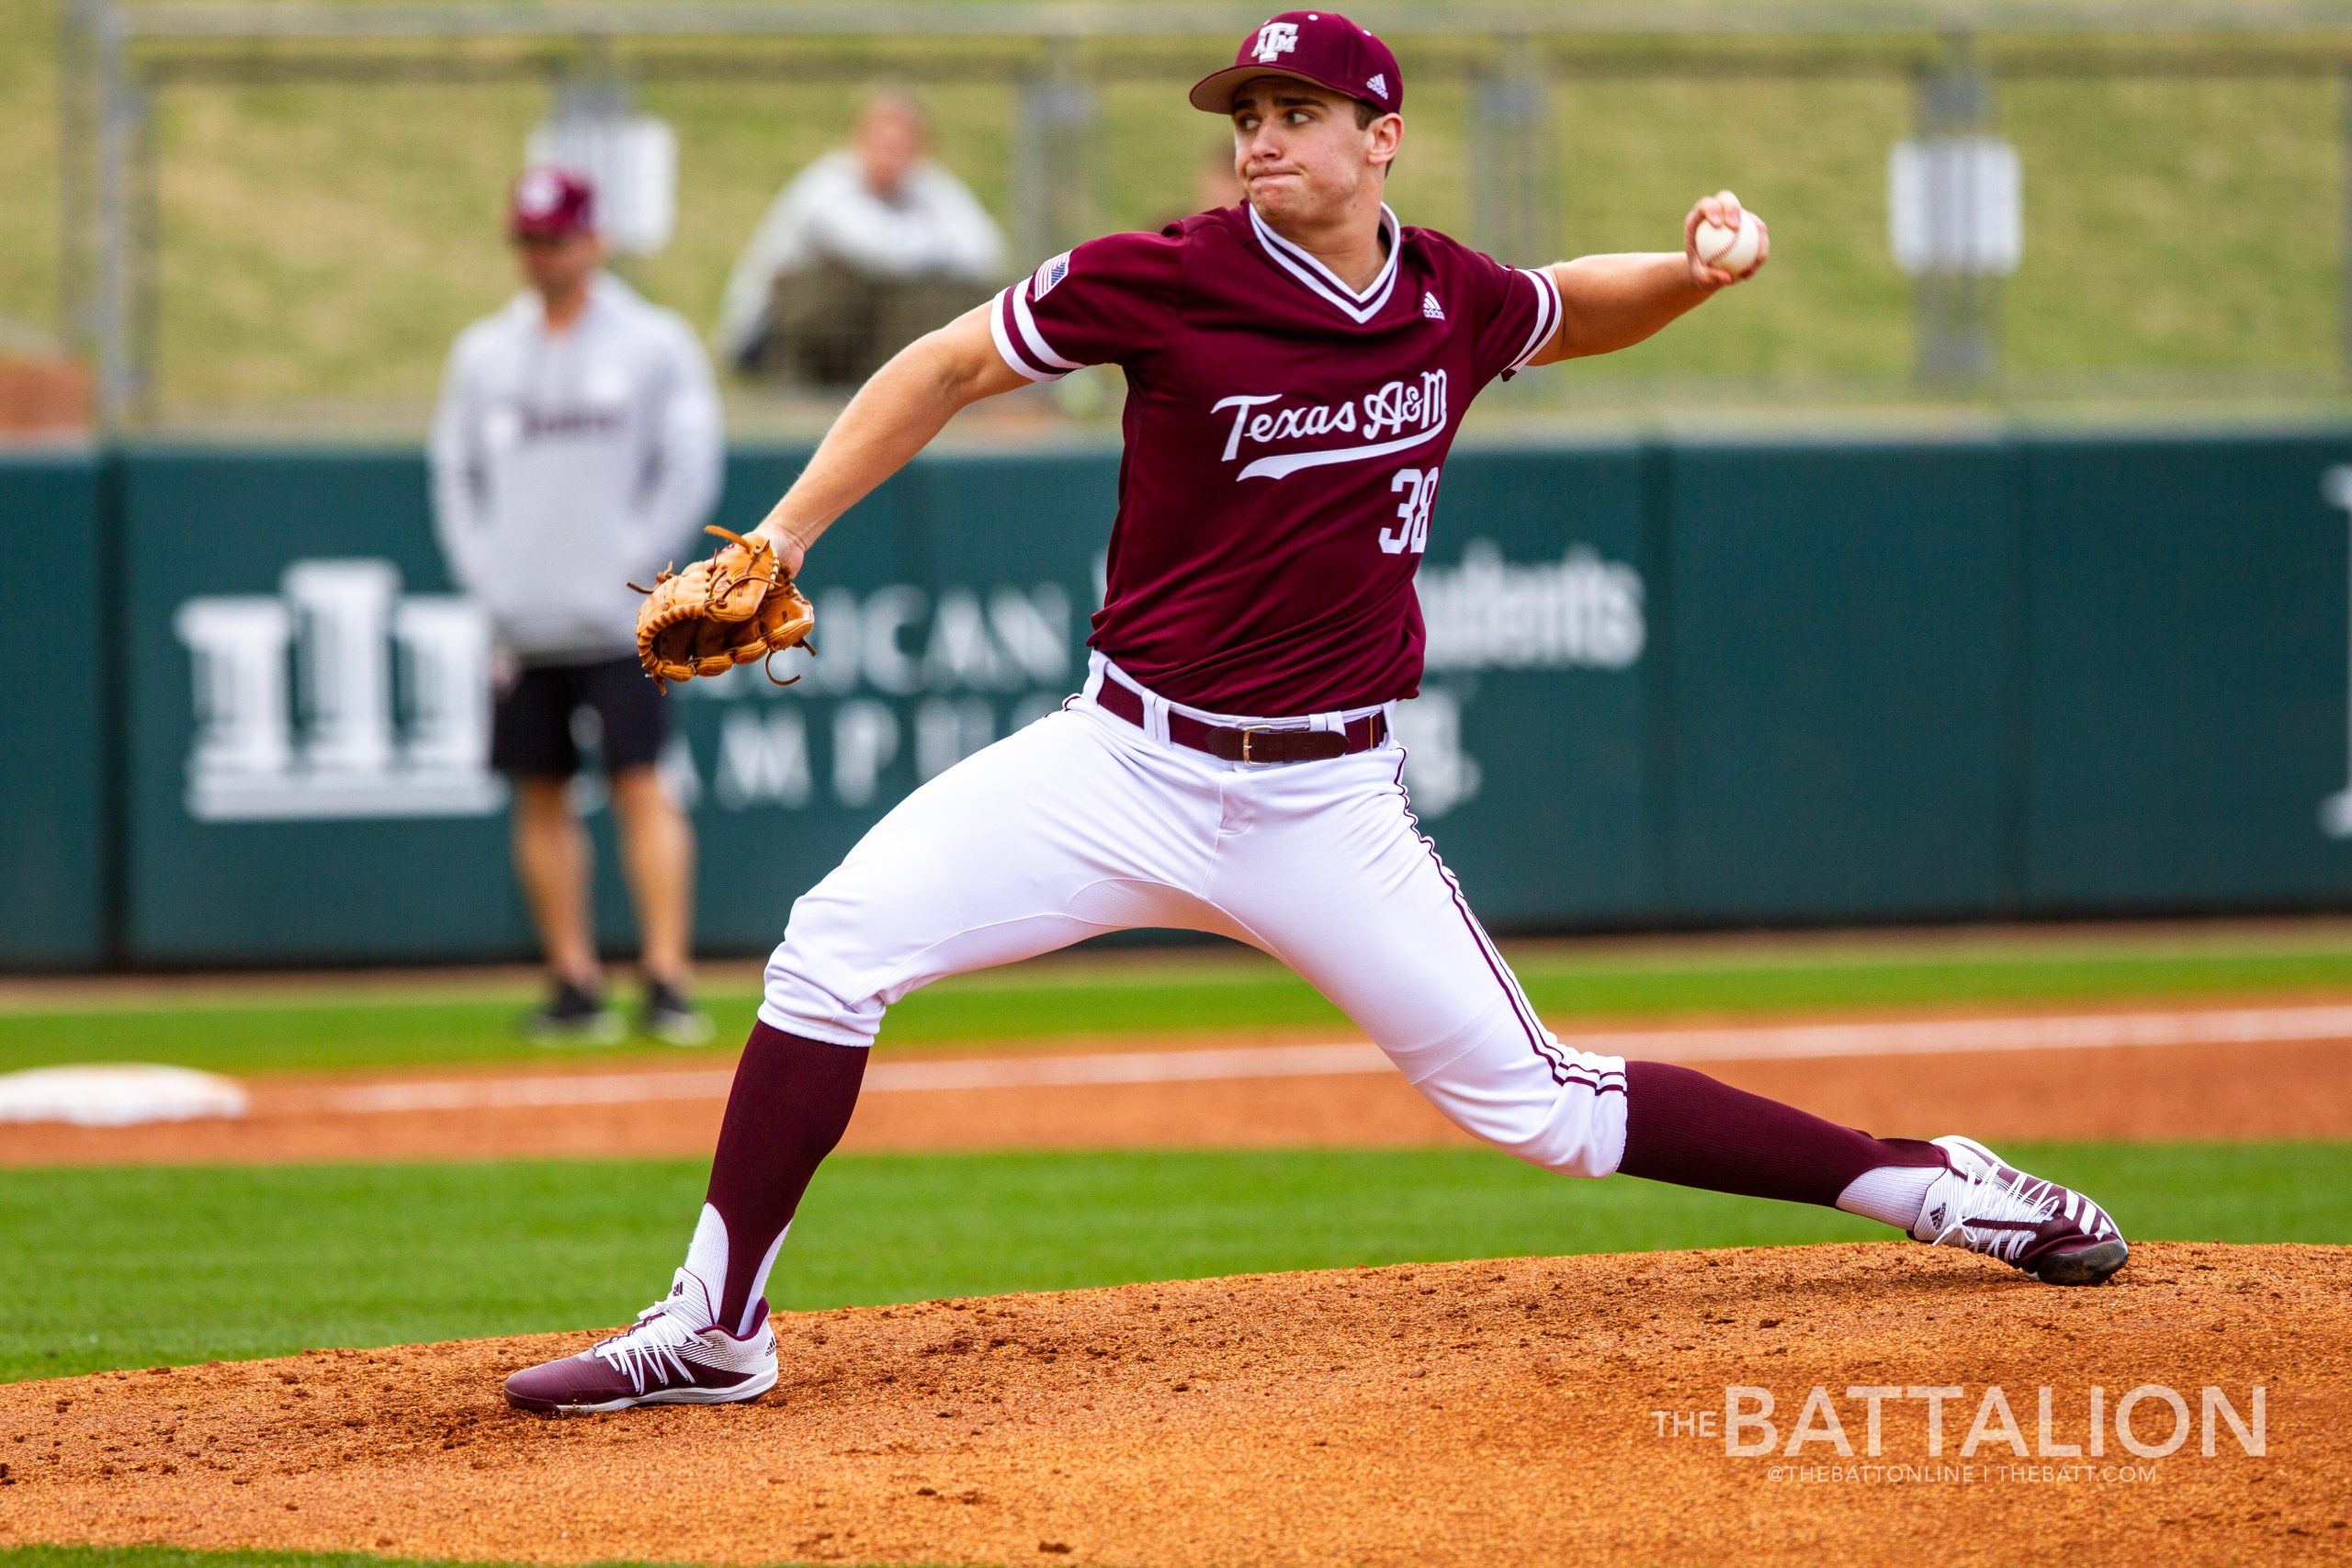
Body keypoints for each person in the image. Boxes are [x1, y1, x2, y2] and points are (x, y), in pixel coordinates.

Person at [503, 13, 2126, 1413]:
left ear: (1383, 137)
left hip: (1323, 803)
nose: (1262, 138)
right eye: (1247, 118)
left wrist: (1696, 277)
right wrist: (783, 536)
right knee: (830, 945)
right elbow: (940, 364)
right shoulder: (1163, 278)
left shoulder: (1448, 297)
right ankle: (717, 1325)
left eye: (1295, 115)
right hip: (1118, 759)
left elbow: (1575, 301)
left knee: (1542, 1107)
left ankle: (1931, 1180)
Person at [430, 166, 724, 1047]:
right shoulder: (484, 353)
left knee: (643, 782)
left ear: (593, 239)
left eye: (554, 236)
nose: (541, 254)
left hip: (622, 613)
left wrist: (639, 566)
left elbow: (687, 462)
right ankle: (573, 976)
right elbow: (456, 475)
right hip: (524, 616)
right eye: (527, 238)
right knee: (540, 792)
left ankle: (666, 973)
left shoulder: (651, 341)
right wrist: (489, 574)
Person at [715, 89, 1006, 388]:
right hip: (773, 338)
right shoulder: (822, 188)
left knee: (936, 297)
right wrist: (939, 241)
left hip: (871, 342)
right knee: (840, 287)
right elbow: (884, 253)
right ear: (858, 140)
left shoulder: (934, 188)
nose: (893, 153)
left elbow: (986, 249)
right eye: (884, 142)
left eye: (903, 142)